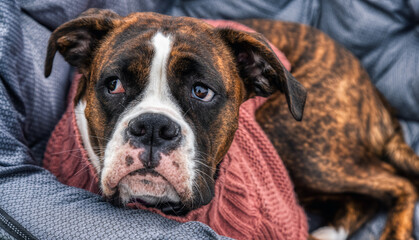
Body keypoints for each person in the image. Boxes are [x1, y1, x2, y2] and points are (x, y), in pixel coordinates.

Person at [1, 0, 418, 239]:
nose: (153, 130)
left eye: (200, 93)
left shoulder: (235, 63)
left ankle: (397, 195)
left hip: (320, 68)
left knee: (308, 156)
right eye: (115, 86)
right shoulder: (59, 170)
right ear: (82, 66)